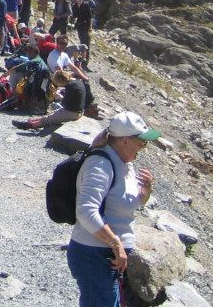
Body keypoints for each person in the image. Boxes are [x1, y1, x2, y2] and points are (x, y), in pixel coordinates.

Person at [67, 112, 158, 307]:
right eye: (142, 142)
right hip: (94, 254)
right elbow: (86, 211)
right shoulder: (100, 164)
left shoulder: (126, 164)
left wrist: (145, 192)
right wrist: (116, 245)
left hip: (109, 255)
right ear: (125, 140)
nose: (144, 147)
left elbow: (128, 204)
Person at [13, 69, 92, 130]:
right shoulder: (77, 82)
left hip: (72, 112)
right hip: (78, 110)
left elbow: (65, 103)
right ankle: (32, 121)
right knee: (51, 114)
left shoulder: (70, 86)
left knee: (48, 120)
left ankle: (29, 125)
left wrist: (59, 97)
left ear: (61, 80)